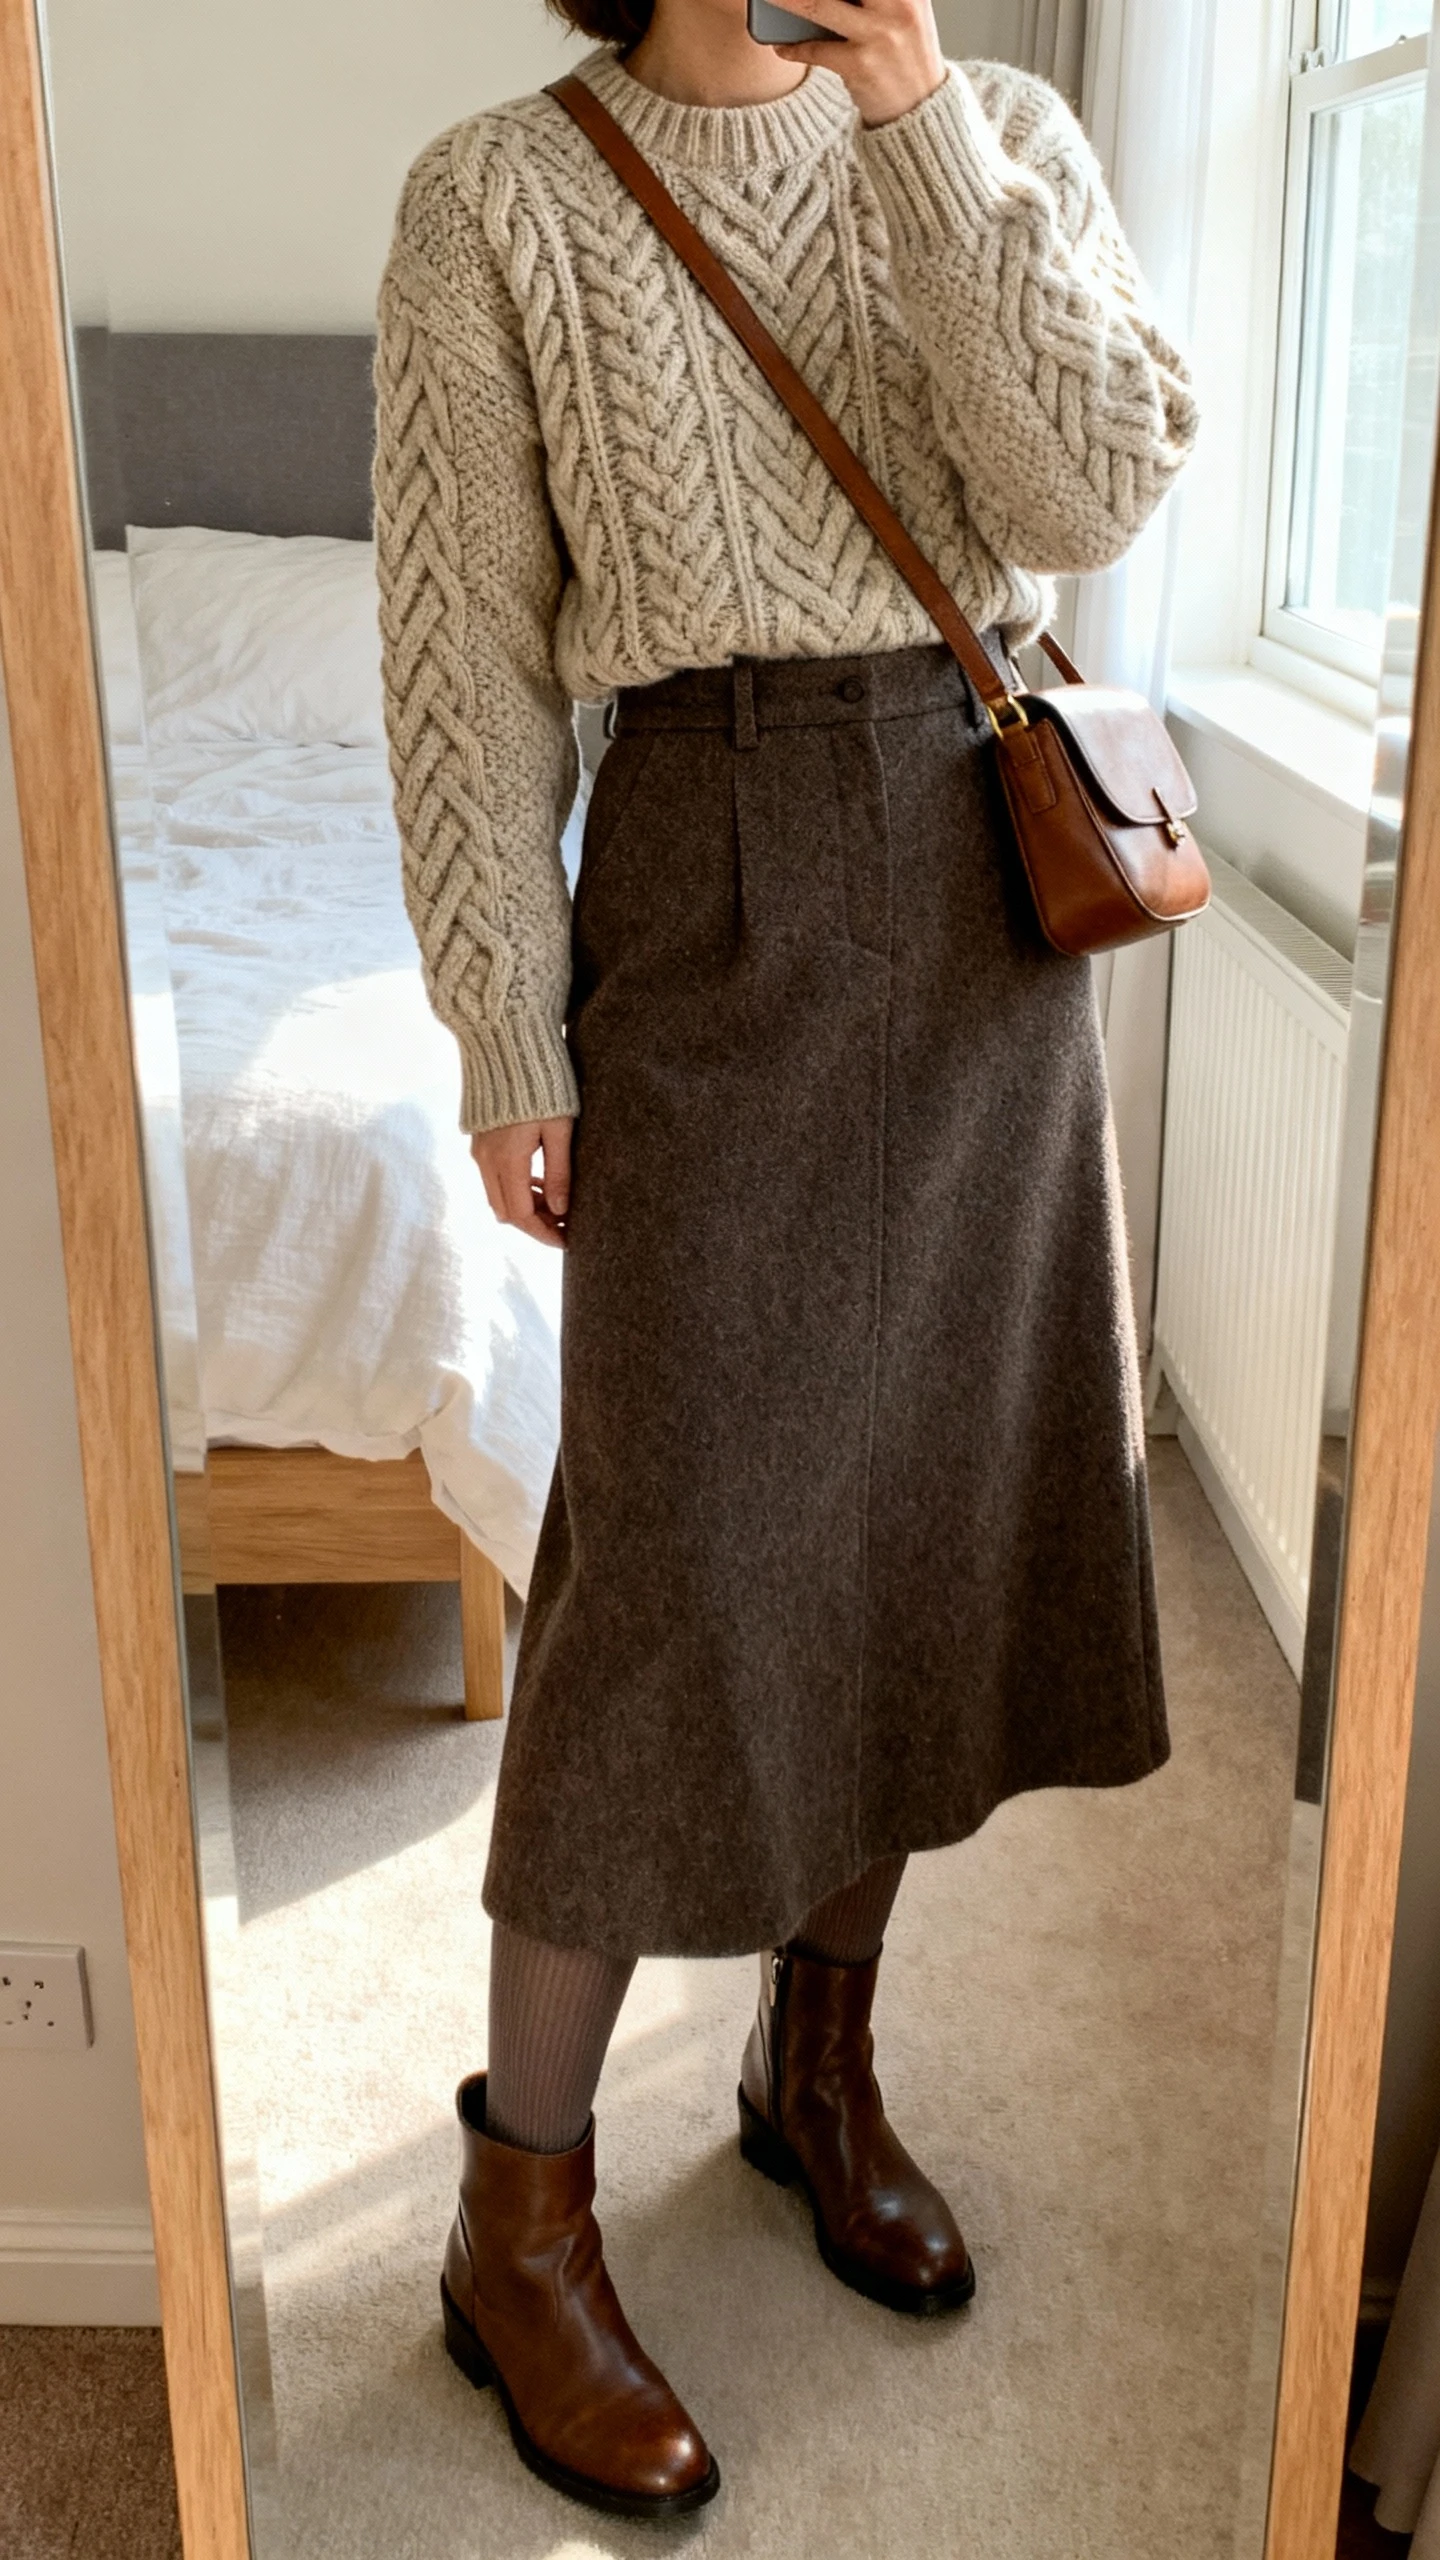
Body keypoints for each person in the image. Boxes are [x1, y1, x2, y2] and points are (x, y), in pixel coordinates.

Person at [373, 0, 1196, 2519]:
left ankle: (810, 2063)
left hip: (983, 882)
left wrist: (920, 121)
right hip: (701, 873)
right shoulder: (498, 196)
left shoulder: (998, 127)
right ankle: (520, 2211)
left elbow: (1097, 485)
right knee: (671, 1574)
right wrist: (505, 1025)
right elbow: (462, 655)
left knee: (920, 1524)